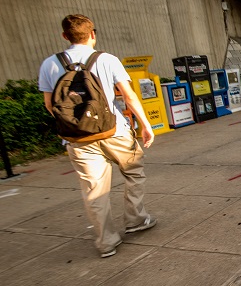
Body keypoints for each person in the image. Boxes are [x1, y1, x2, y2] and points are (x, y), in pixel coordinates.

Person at [38, 14, 157, 258]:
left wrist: (76, 124)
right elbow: (129, 96)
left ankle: (106, 242)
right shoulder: (107, 59)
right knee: (133, 172)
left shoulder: (49, 64)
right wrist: (146, 125)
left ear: (64, 36)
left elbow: (50, 105)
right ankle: (136, 219)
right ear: (92, 34)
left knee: (94, 188)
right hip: (114, 130)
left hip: (77, 139)